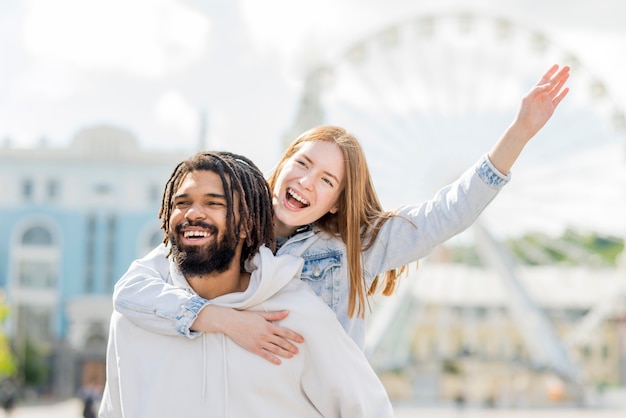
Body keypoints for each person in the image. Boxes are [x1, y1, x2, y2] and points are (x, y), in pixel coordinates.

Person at [113, 64, 570, 364]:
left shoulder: (352, 248)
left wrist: (519, 134)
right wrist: (220, 319)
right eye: (303, 164)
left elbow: (446, 214)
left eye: (328, 181)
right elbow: (133, 290)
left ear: (334, 203)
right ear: (282, 165)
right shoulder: (223, 228)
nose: (308, 182)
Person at [99, 152, 394, 418]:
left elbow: (369, 410)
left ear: (246, 224)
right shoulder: (133, 320)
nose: (193, 213)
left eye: (214, 203)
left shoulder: (296, 316)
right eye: (182, 203)